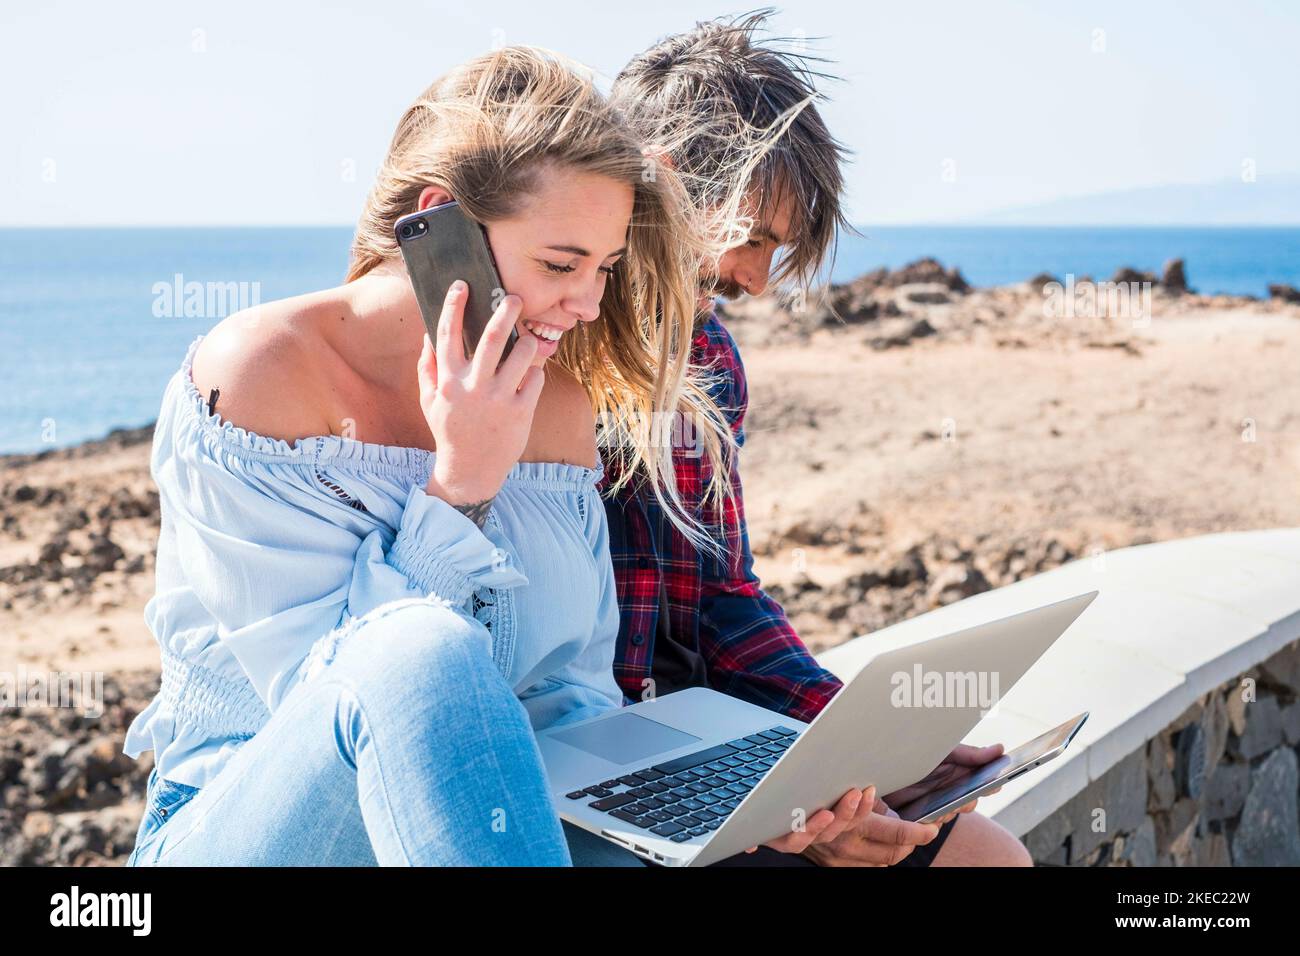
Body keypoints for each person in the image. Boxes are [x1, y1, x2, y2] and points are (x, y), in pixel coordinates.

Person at [120, 45, 746, 866]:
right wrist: (459, 491)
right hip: (253, 833)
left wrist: (747, 809)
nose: (588, 305)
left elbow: (570, 701)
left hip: (481, 832)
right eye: (561, 263)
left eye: (605, 268)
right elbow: (343, 701)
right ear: (441, 223)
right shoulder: (262, 374)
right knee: (420, 648)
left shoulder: (556, 405)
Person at [565, 11, 1032, 867]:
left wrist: (862, 753)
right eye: (755, 240)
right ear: (666, 187)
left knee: (985, 856)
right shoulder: (540, 343)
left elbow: (718, 598)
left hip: (671, 748)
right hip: (564, 776)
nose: (755, 279)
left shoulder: (705, 355)